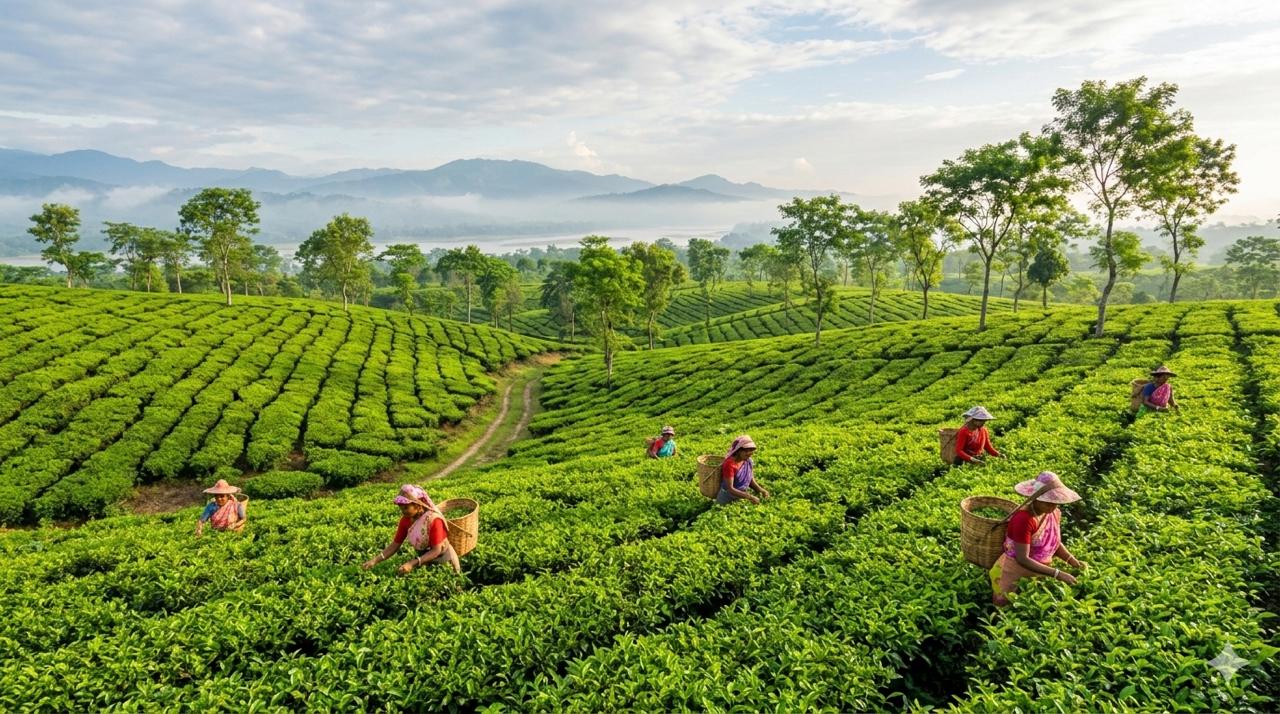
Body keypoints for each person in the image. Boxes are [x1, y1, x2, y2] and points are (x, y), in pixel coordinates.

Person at [989, 471, 1087, 607]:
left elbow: (1054, 542)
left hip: (1039, 570)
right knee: (1005, 608)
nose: (1052, 506)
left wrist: (1073, 562)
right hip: (1014, 572)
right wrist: (1058, 574)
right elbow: (1022, 559)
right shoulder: (1024, 519)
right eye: (1048, 502)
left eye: (1055, 502)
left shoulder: (1053, 513)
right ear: (1036, 498)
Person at [362, 484, 461, 575]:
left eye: (406, 508)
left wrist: (412, 563)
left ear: (417, 505)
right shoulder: (405, 521)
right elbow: (395, 544)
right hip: (423, 560)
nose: (403, 512)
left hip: (444, 560)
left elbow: (436, 550)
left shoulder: (433, 520)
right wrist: (375, 560)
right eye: (401, 508)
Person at [718, 435, 769, 505]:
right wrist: (750, 497)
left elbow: (750, 480)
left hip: (742, 496)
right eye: (746, 450)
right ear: (738, 450)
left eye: (751, 450)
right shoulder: (729, 464)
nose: (750, 453)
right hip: (727, 498)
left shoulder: (748, 461)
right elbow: (730, 489)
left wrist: (761, 490)